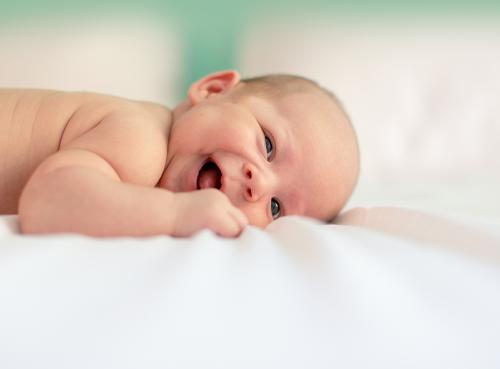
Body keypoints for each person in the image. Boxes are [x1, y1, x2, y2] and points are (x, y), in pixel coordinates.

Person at [0, 70, 360, 237]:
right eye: (267, 144)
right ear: (212, 89)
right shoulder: (141, 140)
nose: (258, 185)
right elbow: (48, 202)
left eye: (276, 208)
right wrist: (174, 214)